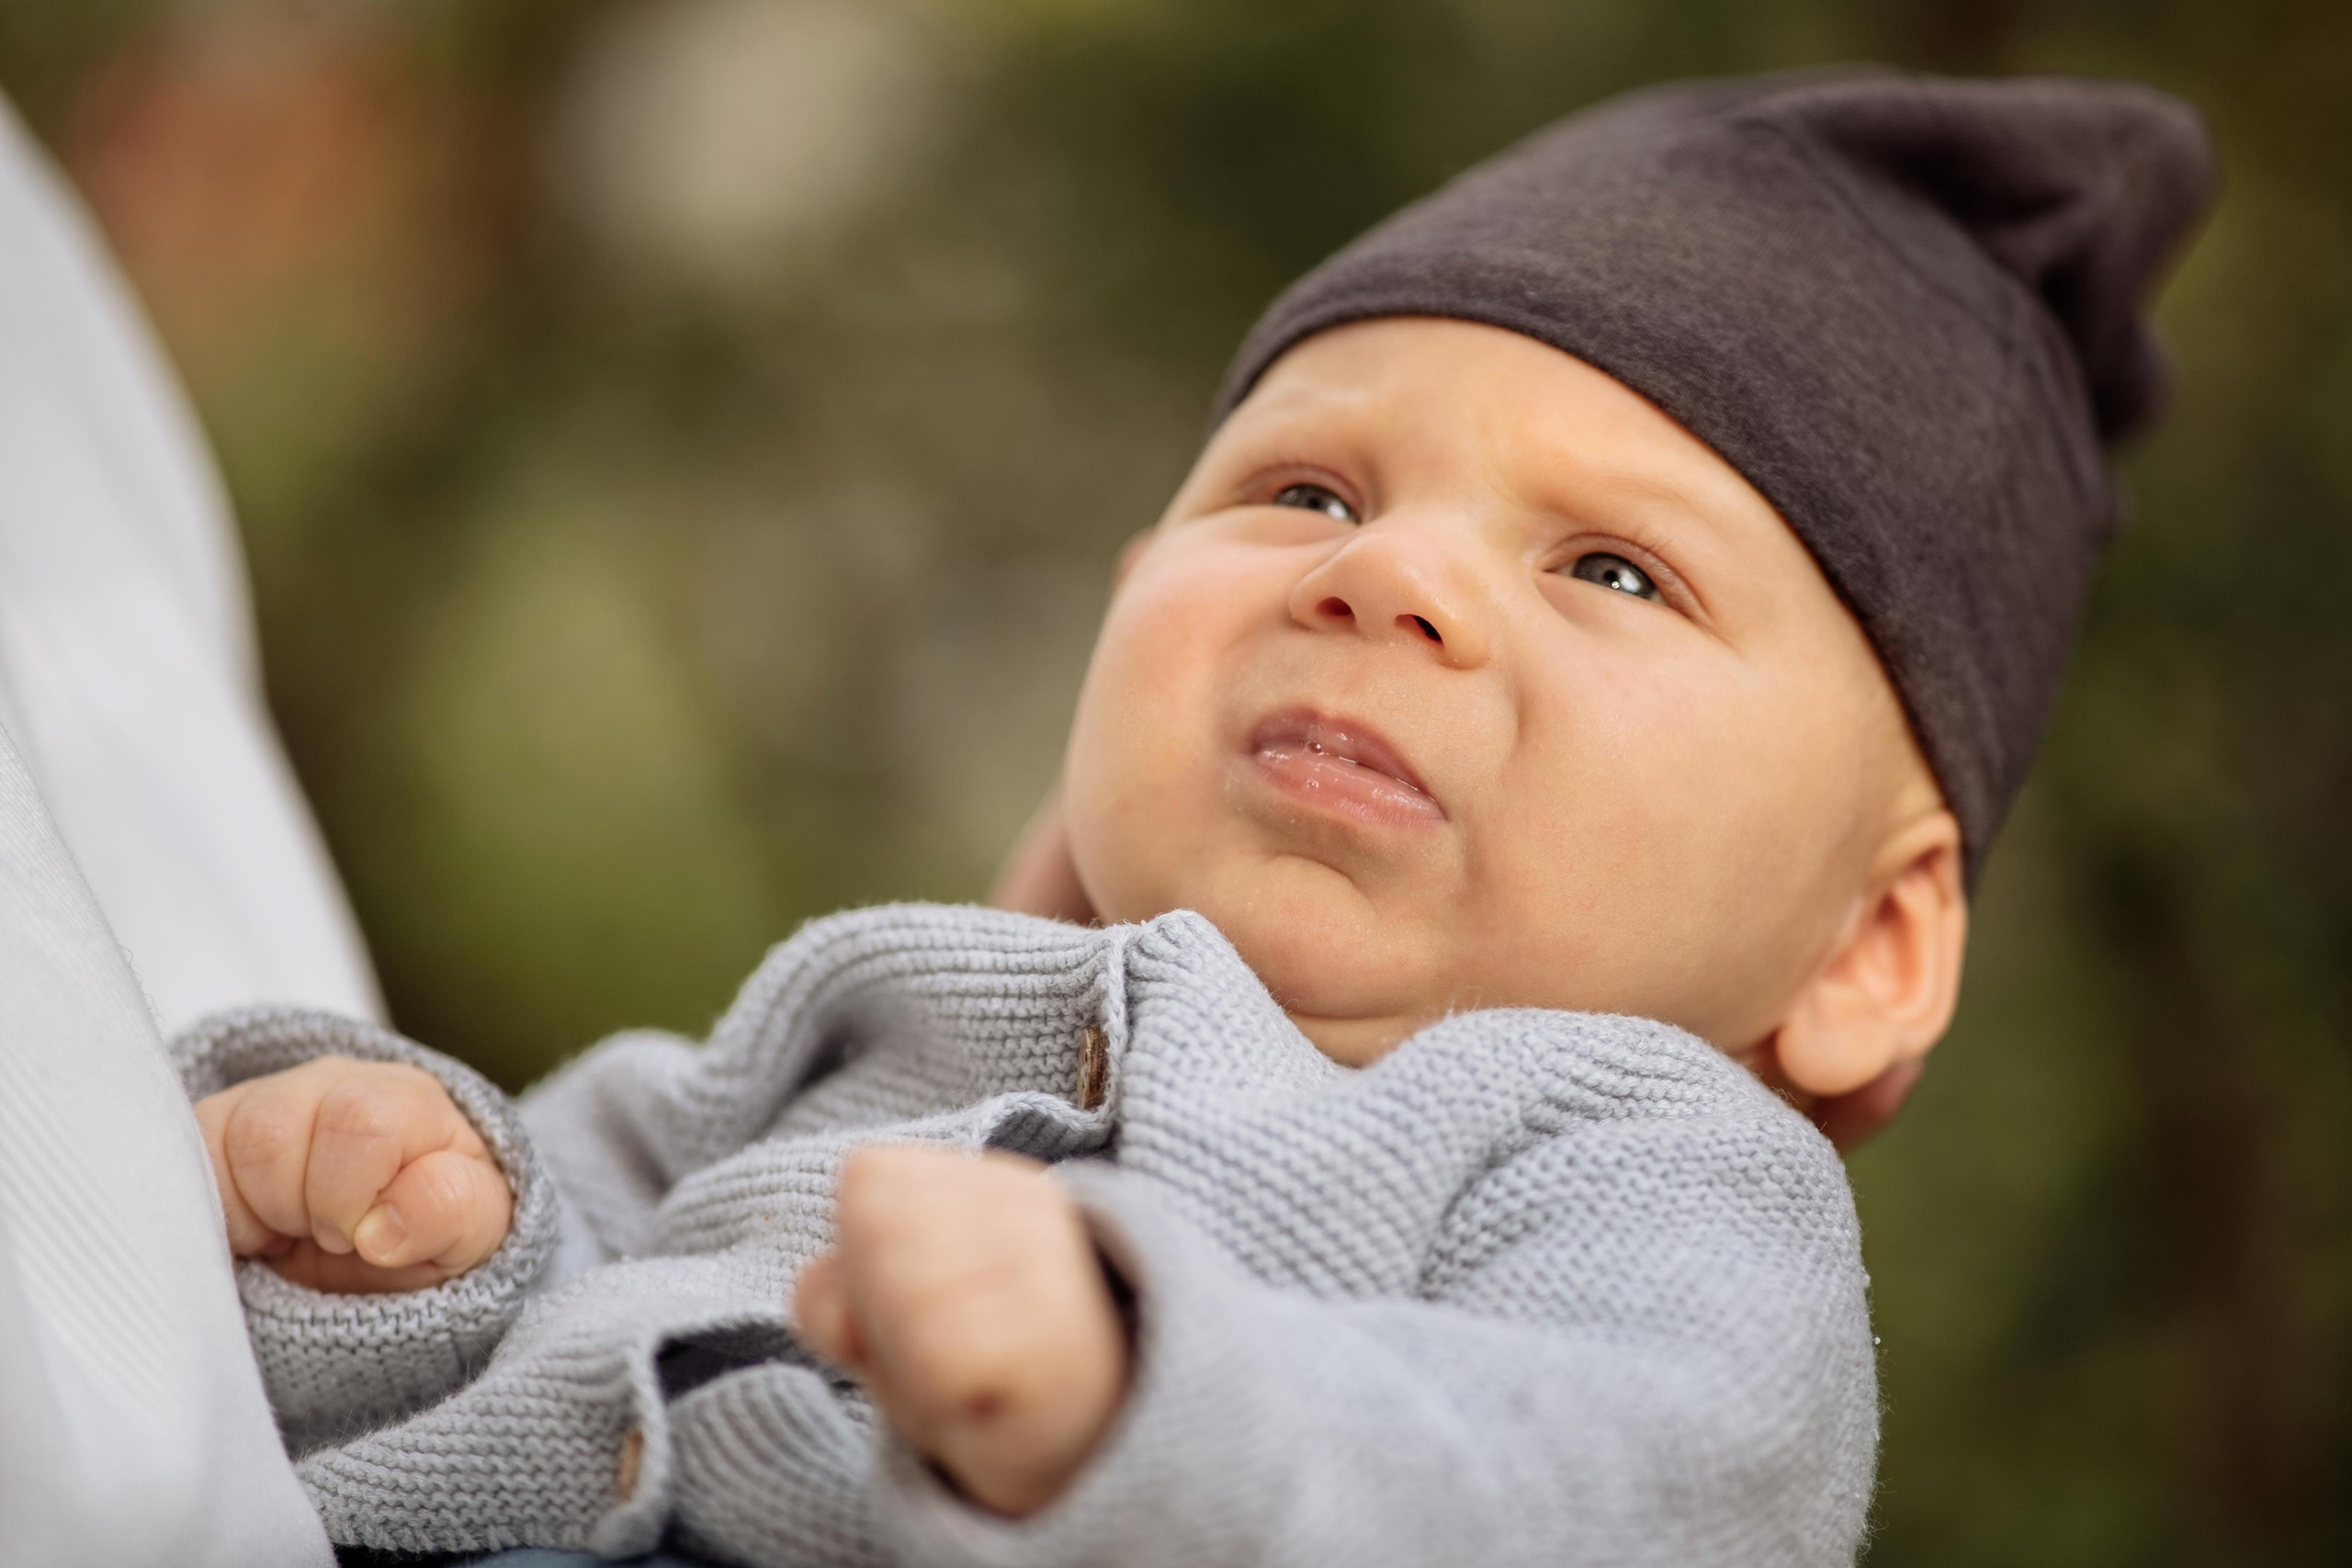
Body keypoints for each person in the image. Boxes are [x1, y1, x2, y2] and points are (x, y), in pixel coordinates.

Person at [176, 71, 2215, 1566]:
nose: (1378, 579)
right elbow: (527, 1310)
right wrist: (401, 1235)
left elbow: (1599, 1495)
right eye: (1306, 492)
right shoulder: (867, 1016)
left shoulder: (1642, 1172)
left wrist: (1136, 1401)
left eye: (1611, 570)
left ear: (1863, 951)